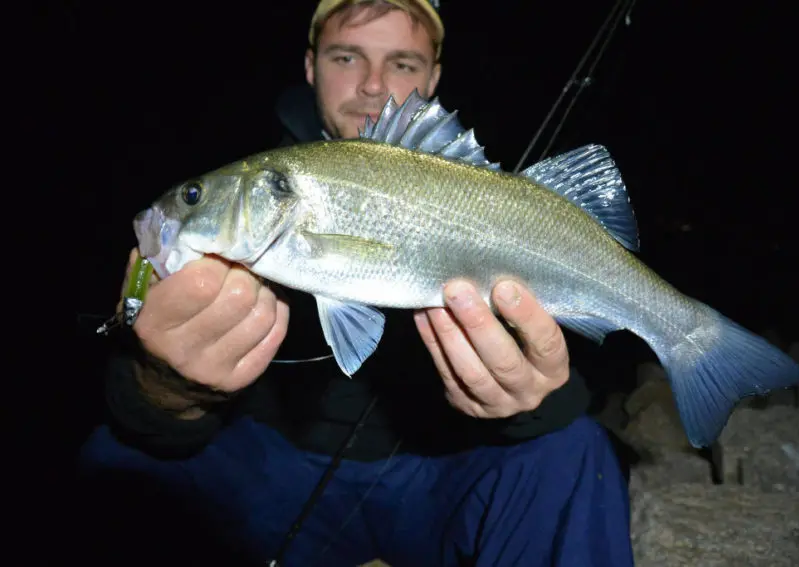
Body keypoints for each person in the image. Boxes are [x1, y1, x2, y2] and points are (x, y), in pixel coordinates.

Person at [76, 1, 634, 565]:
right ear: (312, 65)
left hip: (438, 476)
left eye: (402, 64)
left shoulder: (484, 193)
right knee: (116, 462)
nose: (373, 86)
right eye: (347, 56)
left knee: (572, 449)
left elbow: (562, 399)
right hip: (274, 474)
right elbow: (147, 422)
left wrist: (528, 402)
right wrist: (164, 385)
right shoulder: (259, 171)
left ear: (433, 78)